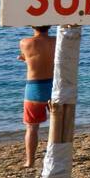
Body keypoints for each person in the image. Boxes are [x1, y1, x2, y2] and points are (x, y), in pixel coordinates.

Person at [18, 26, 56, 168]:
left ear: (32, 26)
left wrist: (26, 59)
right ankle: (56, 155)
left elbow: (28, 57)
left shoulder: (25, 42)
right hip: (53, 84)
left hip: (35, 86)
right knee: (57, 123)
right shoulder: (56, 40)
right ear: (50, 26)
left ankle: (30, 161)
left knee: (32, 127)